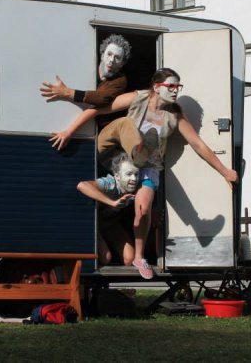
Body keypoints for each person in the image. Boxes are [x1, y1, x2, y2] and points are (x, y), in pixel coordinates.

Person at [59, 68, 238, 279]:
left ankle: (139, 257)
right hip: (114, 151)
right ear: (156, 87)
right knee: (125, 123)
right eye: (171, 86)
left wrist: (225, 171)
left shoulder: (175, 113)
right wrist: (68, 132)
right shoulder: (138, 97)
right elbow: (99, 109)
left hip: (147, 165)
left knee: (143, 208)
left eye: (178, 87)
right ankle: (138, 152)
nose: (175, 91)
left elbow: (197, 144)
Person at [77, 152, 139, 266]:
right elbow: (82, 185)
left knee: (130, 258)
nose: (134, 178)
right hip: (96, 224)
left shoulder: (135, 188)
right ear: (117, 176)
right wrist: (112, 203)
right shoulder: (110, 183)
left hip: (111, 224)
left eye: (136, 174)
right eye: (129, 174)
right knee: (106, 258)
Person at [40, 33, 131, 107]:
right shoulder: (88, 65)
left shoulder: (120, 81)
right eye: (109, 54)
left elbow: (101, 98)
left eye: (117, 57)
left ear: (122, 63)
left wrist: (66, 92)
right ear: (102, 55)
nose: (111, 60)